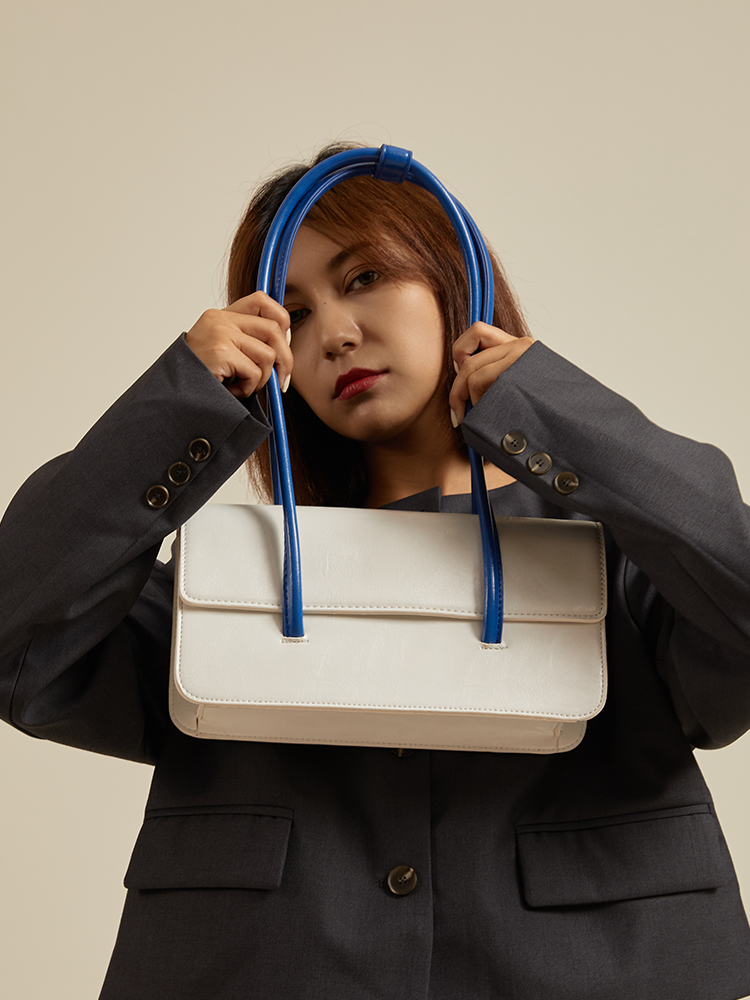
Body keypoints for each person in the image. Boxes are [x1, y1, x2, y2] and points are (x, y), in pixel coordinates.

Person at [1, 141, 750, 1000]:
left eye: (364, 278)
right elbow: (14, 643)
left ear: (451, 280)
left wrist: (557, 413)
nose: (334, 335)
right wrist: (176, 408)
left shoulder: (626, 558)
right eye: (292, 315)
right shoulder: (226, 590)